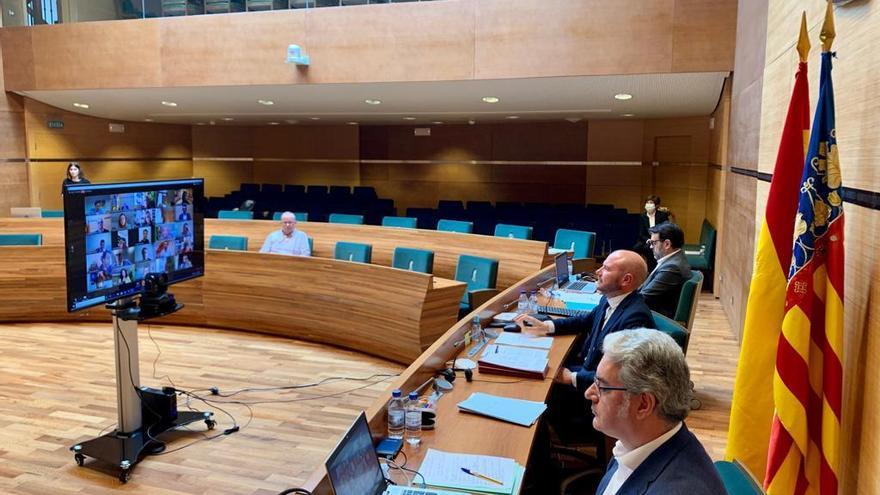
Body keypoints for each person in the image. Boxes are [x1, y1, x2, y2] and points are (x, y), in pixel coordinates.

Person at [591, 328, 725, 494]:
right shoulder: (633, 443)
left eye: (602, 386)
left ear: (643, 405)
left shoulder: (679, 489)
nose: (589, 393)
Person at [516, 250, 654, 394]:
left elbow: (621, 376)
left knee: (533, 386)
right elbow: (585, 321)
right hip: (588, 369)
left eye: (606, 269)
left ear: (626, 280)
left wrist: (573, 378)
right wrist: (546, 326)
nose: (598, 271)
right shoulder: (610, 298)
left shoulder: (635, 319)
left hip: (596, 388)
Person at [639, 222, 691, 319]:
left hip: (657, 317)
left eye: (653, 243)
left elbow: (645, 297)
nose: (650, 247)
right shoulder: (675, 259)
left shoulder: (672, 268)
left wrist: (620, 299)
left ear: (667, 244)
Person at [634, 195, 671, 271]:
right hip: (646, 239)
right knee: (636, 248)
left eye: (651, 203)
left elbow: (666, 229)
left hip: (659, 239)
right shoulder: (642, 216)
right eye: (647, 202)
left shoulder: (662, 215)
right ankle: (638, 269)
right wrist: (648, 240)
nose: (648, 204)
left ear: (656, 205)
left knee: (649, 249)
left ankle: (652, 269)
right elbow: (641, 233)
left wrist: (656, 240)